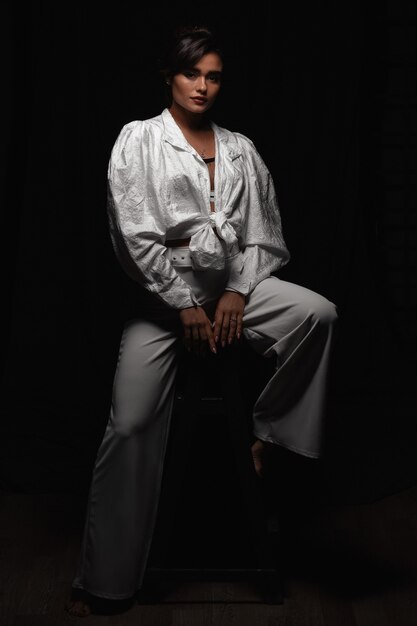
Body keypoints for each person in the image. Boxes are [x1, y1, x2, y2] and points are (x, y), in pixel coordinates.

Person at [66, 25, 338, 617]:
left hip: (230, 291)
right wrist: (182, 300)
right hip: (161, 300)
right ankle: (106, 581)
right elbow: (132, 234)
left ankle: (271, 437)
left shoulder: (241, 147)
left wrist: (238, 291)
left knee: (317, 315)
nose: (203, 86)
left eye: (214, 76)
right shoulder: (139, 141)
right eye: (192, 74)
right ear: (171, 76)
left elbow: (264, 235)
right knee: (132, 421)